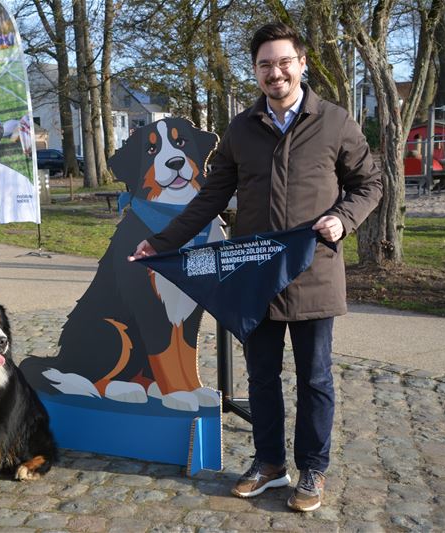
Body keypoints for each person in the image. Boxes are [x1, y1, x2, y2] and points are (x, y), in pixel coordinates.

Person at [130, 22, 382, 512]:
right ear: (256, 71)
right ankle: (270, 464)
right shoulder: (241, 129)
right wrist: (158, 243)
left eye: (284, 61)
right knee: (261, 377)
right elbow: (209, 200)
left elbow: (369, 183)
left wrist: (343, 219)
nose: (276, 72)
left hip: (314, 273)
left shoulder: (334, 122)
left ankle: (312, 469)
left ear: (302, 64)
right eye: (265, 64)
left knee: (314, 378)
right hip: (255, 278)